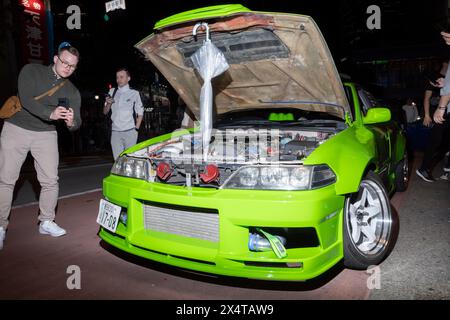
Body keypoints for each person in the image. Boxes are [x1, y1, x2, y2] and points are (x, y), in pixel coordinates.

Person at [0, 42, 81, 249]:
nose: (67, 68)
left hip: (46, 133)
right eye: (64, 63)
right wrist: (50, 113)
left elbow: (77, 121)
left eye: (72, 66)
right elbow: (26, 99)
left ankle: (46, 221)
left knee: (50, 180)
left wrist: (71, 122)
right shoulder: (31, 70)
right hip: (17, 127)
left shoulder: (72, 91)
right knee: (7, 179)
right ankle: (1, 226)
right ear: (55, 59)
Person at [416, 35, 450, 182]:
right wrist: (427, 115)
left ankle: (443, 168)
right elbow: (426, 98)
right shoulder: (435, 77)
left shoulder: (444, 78)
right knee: (436, 140)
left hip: (444, 110)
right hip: (441, 112)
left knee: (442, 140)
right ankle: (425, 168)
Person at [103, 68, 144, 160]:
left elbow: (140, 112)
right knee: (118, 161)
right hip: (115, 132)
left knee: (130, 160)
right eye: (117, 77)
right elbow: (105, 112)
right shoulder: (112, 92)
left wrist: (136, 129)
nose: (119, 80)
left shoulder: (134, 93)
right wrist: (109, 103)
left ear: (128, 78)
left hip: (130, 131)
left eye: (122, 77)